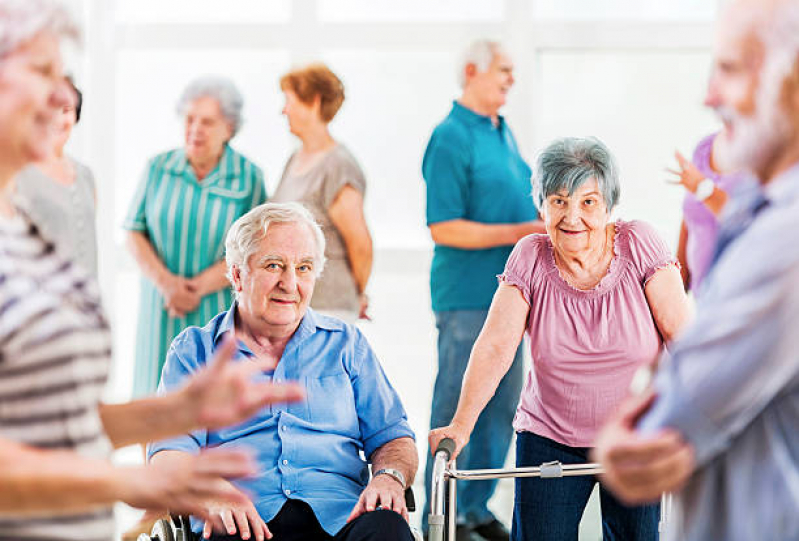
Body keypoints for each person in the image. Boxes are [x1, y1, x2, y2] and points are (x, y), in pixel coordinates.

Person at [0, 2, 303, 540]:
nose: (62, 97)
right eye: (43, 72)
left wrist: (172, 413)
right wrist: (126, 484)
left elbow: (52, 427)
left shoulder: (22, 229)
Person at [593, 1, 799, 540]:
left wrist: (626, 417)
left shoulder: (786, 241)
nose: (709, 95)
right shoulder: (756, 200)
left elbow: (657, 428)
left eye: (730, 69)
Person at [429, 137, 692, 541]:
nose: (572, 217)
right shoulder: (530, 256)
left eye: (588, 202)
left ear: (609, 204)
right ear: (542, 206)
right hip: (550, 438)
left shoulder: (640, 243)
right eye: (558, 201)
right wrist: (461, 425)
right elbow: (497, 346)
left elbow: (683, 336)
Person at [149, 202, 418, 541]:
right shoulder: (195, 353)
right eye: (273, 265)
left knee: (389, 529)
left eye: (304, 268)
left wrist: (389, 476)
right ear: (237, 274)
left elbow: (393, 435)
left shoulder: (346, 344)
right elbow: (168, 453)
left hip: (341, 516)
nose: (290, 283)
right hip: (242, 521)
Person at [421, 39, 545, 541]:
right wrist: (520, 231)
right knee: (459, 404)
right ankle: (441, 514)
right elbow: (443, 226)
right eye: (504, 69)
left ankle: (475, 509)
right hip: (467, 295)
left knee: (503, 404)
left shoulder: (502, 130)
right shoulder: (449, 137)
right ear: (471, 70)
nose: (511, 78)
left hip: (510, 296)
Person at [124, 75, 268, 399]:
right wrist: (167, 284)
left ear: (229, 128)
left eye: (207, 122)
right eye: (189, 119)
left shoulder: (249, 178)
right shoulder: (158, 167)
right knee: (153, 406)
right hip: (161, 307)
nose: (195, 129)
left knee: (212, 412)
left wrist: (196, 288)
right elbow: (134, 230)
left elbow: (256, 250)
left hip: (215, 312)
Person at [271, 63, 372, 322]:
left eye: (289, 101)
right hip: (295, 304)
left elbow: (360, 245)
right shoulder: (295, 158)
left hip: (328, 306)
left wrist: (355, 294)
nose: (283, 111)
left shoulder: (338, 165)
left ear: (314, 102)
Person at [14, 75, 99, 276]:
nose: (59, 119)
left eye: (67, 110)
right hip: (38, 299)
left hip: (84, 299)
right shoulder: (19, 174)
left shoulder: (85, 175)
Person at [668, 133, 743, 291]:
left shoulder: (767, 152)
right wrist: (678, 285)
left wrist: (703, 189)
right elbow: (690, 216)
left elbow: (750, 222)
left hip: (742, 296)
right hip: (704, 298)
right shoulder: (705, 148)